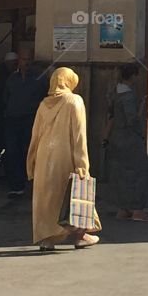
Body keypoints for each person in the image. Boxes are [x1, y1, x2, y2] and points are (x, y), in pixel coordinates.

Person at [26, 66, 101, 251]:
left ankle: (47, 240)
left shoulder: (44, 104)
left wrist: (31, 162)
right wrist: (82, 164)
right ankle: (80, 235)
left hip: (44, 157)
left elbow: (35, 136)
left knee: (46, 198)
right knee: (73, 195)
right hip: (65, 156)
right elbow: (79, 137)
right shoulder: (74, 101)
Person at [101, 61, 148, 221]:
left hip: (116, 137)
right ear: (133, 76)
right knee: (139, 173)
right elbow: (132, 120)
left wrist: (105, 137)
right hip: (129, 138)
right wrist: (141, 108)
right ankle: (137, 210)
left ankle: (123, 208)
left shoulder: (114, 92)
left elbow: (111, 117)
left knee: (120, 174)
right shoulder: (128, 96)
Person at [3, 46, 45, 197]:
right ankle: (16, 185)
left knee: (28, 151)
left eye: (28, 60)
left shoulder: (39, 79)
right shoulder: (12, 79)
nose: (26, 63)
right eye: (23, 59)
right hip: (13, 119)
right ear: (18, 61)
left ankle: (31, 182)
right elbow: (5, 98)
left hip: (30, 118)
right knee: (12, 151)